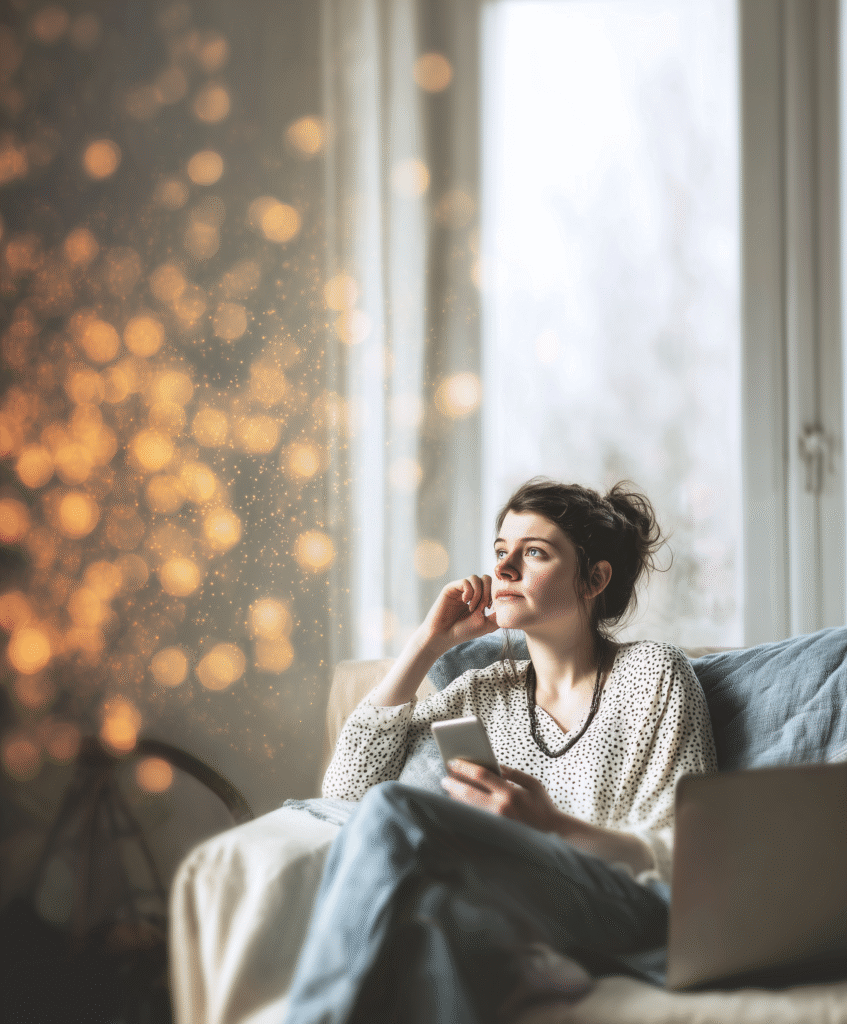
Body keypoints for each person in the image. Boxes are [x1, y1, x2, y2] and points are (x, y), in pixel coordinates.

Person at [281, 478, 718, 1024]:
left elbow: (691, 852)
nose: (503, 571)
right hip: (517, 914)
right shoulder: (484, 691)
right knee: (432, 916)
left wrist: (552, 829)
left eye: (533, 553)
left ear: (594, 579)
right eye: (500, 553)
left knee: (399, 808)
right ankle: (531, 968)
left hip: (628, 908)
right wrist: (428, 644)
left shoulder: (653, 672)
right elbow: (346, 789)